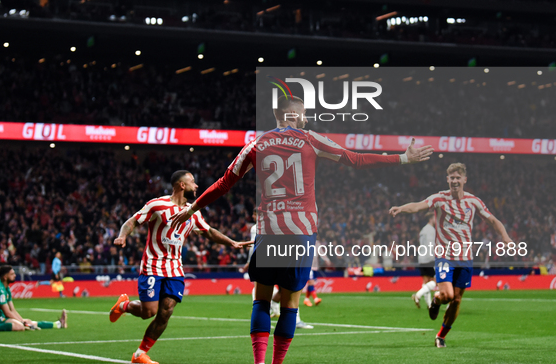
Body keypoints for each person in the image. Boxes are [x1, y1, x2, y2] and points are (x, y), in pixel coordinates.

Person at [170, 95, 433, 364]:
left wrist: (192, 208)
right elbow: (355, 159)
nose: (306, 117)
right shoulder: (310, 139)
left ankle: (259, 362)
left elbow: (224, 183)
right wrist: (402, 159)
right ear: (293, 114)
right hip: (300, 232)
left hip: (270, 231)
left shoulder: (257, 144)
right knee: (290, 304)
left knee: (261, 300)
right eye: (304, 112)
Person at [108, 170, 251, 364]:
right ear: (182, 185)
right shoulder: (157, 205)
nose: (197, 186)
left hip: (175, 269)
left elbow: (209, 232)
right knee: (148, 312)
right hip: (153, 265)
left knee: (166, 311)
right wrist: (122, 235)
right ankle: (124, 305)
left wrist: (231, 243)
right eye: (192, 182)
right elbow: (132, 221)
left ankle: (140, 354)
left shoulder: (193, 212)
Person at [389, 162, 513, 348]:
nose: (455, 181)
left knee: (456, 299)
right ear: (447, 179)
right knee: (446, 295)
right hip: (444, 256)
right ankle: (437, 301)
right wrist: (401, 208)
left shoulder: (474, 201)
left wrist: (506, 237)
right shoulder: (439, 198)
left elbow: (493, 220)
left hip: (465, 258)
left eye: (458, 178)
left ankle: (441, 336)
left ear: (464, 179)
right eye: (451, 178)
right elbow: (419, 206)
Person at [0, 265, 67, 332]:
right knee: (19, 326)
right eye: (12, 274)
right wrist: (22, 322)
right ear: (5, 277)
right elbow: (7, 312)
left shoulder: (6, 287)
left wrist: (24, 321)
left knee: (28, 321)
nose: (15, 275)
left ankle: (58, 324)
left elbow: (12, 309)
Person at [411, 212, 437, 309]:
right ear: (430, 219)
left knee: (426, 282)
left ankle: (429, 305)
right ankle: (418, 295)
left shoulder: (422, 230)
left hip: (421, 258)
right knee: (436, 280)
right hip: (429, 258)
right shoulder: (431, 230)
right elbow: (431, 245)